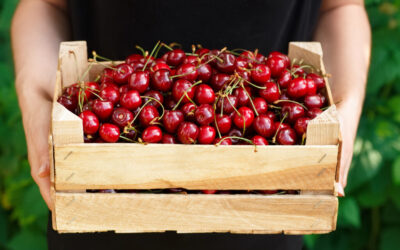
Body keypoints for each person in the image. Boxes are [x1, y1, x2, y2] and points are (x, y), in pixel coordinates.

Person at [11, 0, 371, 249]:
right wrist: (36, 97)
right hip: (97, 218)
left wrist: (346, 103)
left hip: (265, 218)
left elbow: (341, 5)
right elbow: (46, 4)